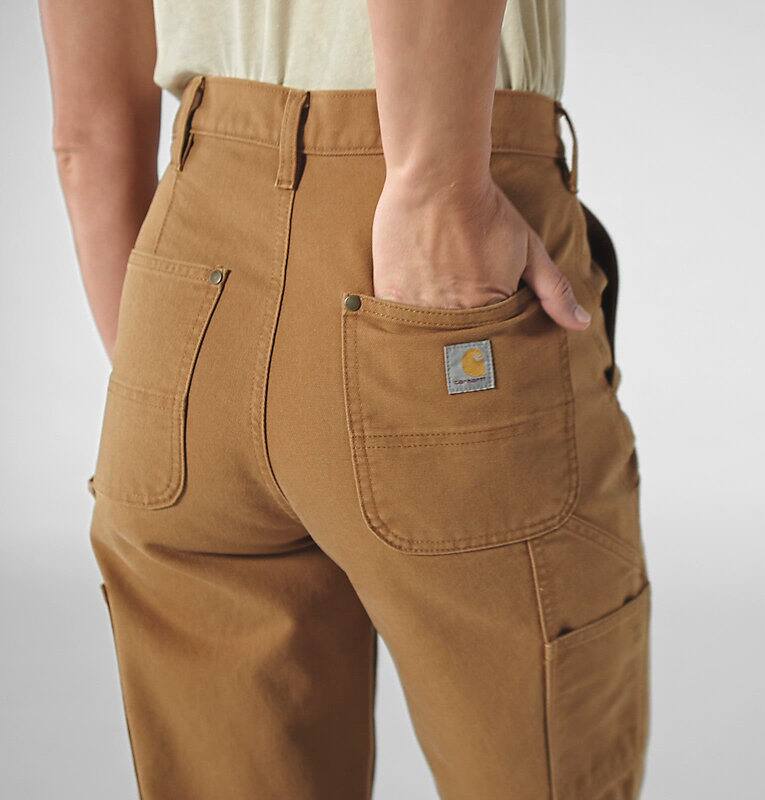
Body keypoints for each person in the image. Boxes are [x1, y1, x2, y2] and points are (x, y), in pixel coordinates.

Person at [40, 1, 651, 798]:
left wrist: (163, 370)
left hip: (188, 265)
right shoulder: (435, 194)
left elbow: (87, 139)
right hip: (430, 203)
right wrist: (436, 192)